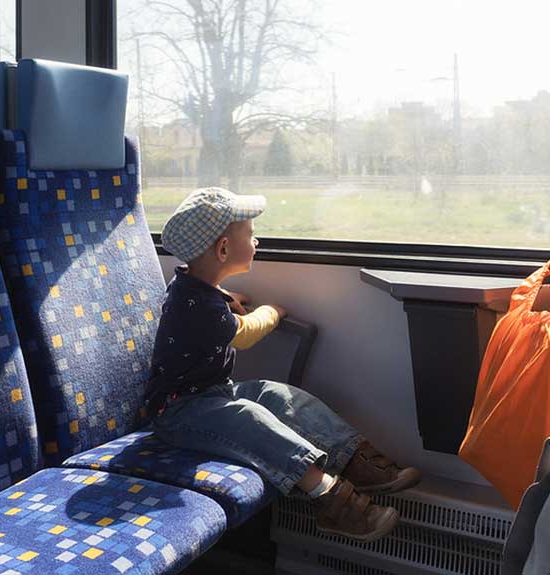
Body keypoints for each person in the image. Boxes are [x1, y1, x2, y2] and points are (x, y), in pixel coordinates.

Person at [144, 187, 421, 542]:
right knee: (249, 418)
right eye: (251, 235)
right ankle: (328, 497)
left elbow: (209, 307)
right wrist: (271, 312)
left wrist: (229, 300)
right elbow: (243, 334)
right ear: (224, 250)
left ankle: (353, 459)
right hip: (178, 414)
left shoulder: (195, 289)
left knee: (279, 395)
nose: (257, 241)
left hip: (211, 394)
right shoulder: (197, 304)